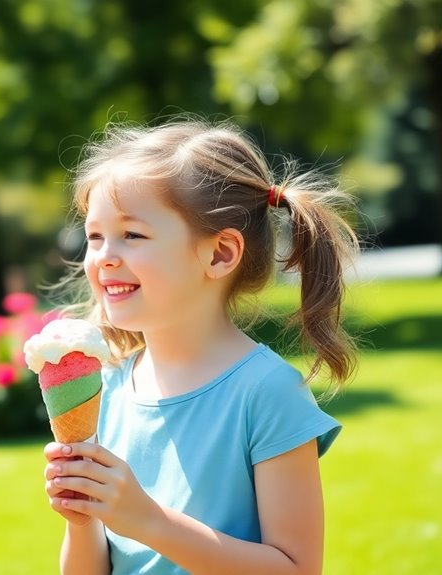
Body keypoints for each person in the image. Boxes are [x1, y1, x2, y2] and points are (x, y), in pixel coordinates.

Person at [42, 119, 359, 574]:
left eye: (132, 234)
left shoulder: (267, 393)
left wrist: (148, 521)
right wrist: (82, 519)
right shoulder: (105, 392)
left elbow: (297, 569)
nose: (105, 255)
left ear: (219, 254)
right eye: (95, 236)